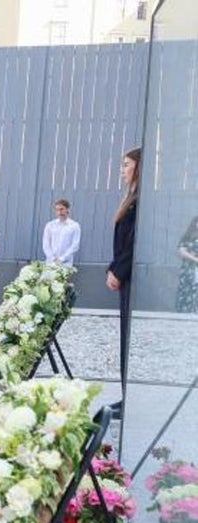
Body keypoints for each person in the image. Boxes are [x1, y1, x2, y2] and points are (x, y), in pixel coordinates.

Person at [106, 147, 140, 416]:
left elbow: (133, 244)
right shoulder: (131, 199)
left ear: (139, 167)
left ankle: (129, 397)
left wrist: (118, 271)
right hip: (124, 275)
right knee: (124, 337)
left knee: (129, 338)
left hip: (130, 276)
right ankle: (126, 396)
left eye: (127, 165)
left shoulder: (140, 202)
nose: (122, 170)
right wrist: (113, 268)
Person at [41, 199, 80, 266]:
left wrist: (62, 259)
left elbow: (75, 245)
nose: (59, 212)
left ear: (67, 209)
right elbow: (46, 244)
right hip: (51, 263)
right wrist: (53, 258)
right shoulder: (50, 225)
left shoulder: (74, 226)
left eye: (61, 209)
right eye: (57, 210)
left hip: (66, 263)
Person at [175, 216, 198, 314]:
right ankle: (184, 312)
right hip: (188, 269)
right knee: (186, 290)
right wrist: (195, 259)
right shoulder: (188, 236)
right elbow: (181, 251)